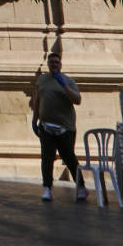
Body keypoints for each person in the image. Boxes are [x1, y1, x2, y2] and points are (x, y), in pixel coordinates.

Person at [30, 50, 86, 202]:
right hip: (46, 127)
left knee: (69, 158)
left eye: (56, 62)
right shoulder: (41, 80)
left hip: (65, 129)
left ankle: (81, 187)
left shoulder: (68, 81)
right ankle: (47, 188)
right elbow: (37, 100)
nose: (54, 65)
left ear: (60, 65)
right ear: (48, 64)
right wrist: (34, 120)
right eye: (51, 62)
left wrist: (64, 86)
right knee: (47, 158)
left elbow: (77, 100)